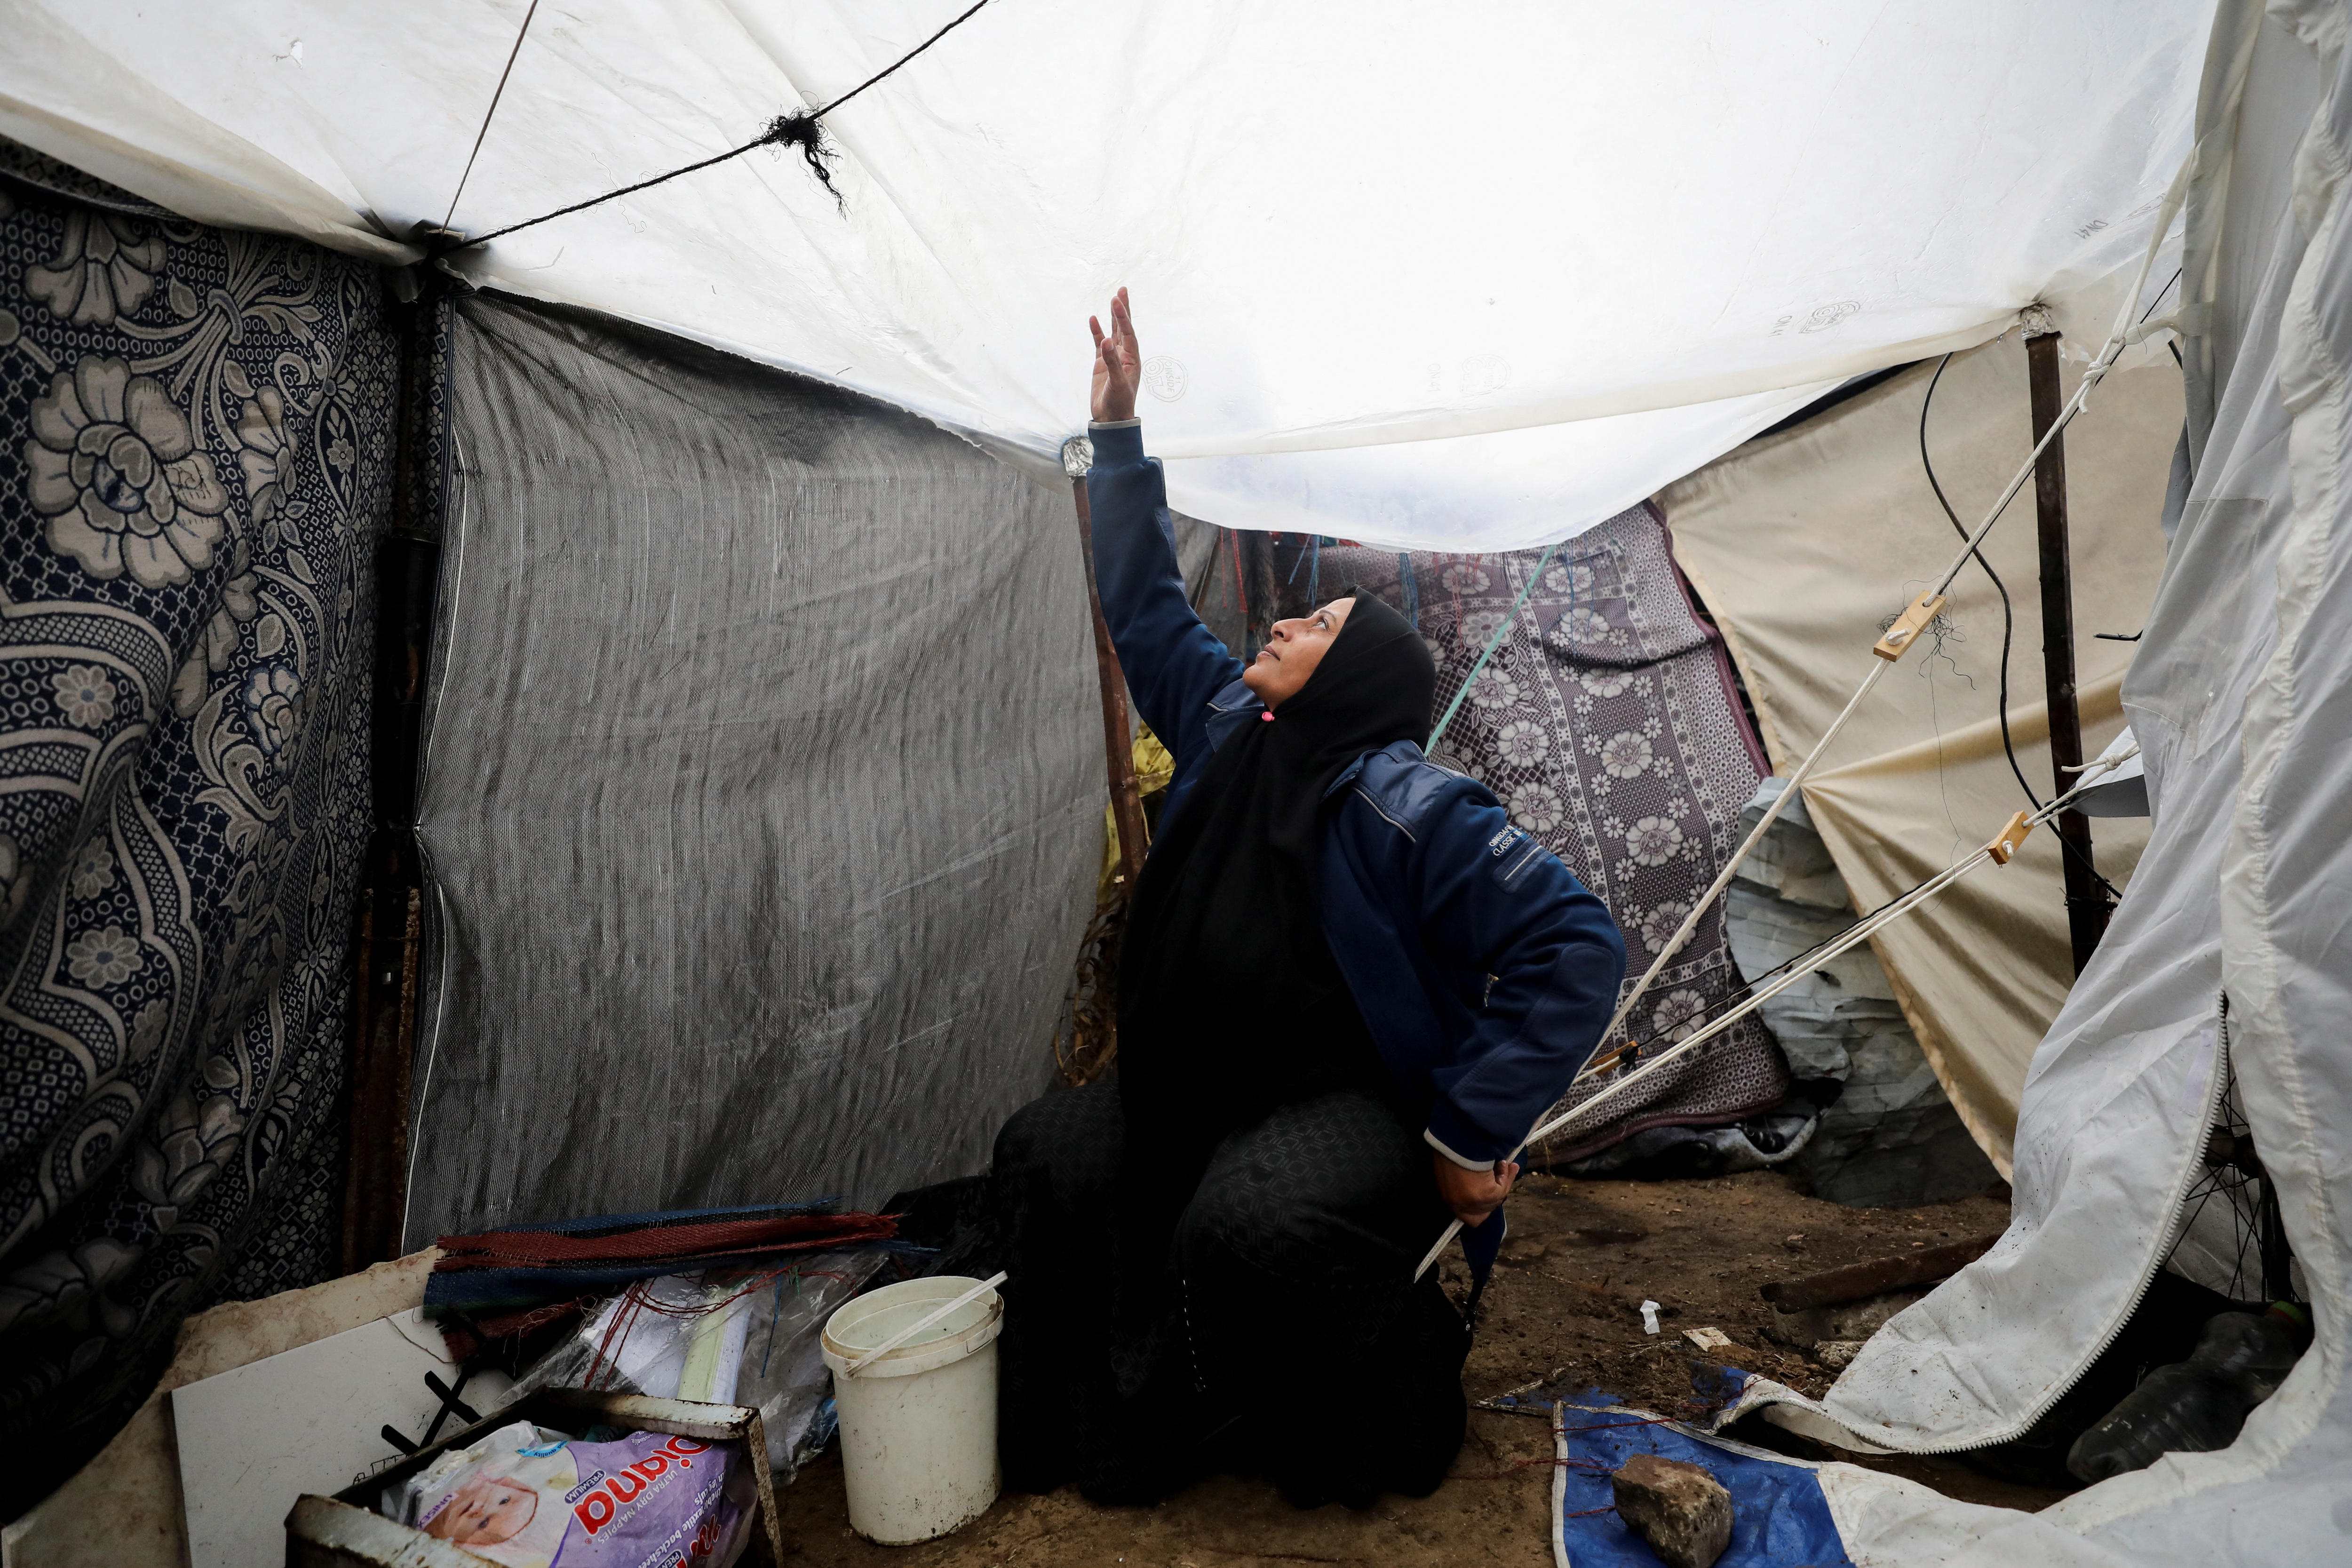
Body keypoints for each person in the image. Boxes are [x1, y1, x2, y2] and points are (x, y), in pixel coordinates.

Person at [990, 289, 1626, 1509]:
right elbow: (1144, 605)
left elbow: (1574, 943)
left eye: (1319, 622)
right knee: (1048, 1154)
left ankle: (1382, 1404)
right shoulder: (1234, 732)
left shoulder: (1409, 806)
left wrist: (1471, 1130)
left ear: (1361, 675)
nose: (1283, 621)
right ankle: (1126, 1423)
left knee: (1256, 1219)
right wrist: (1118, 437)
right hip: (1199, 1078)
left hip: (1348, 1096)